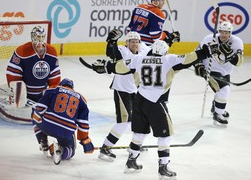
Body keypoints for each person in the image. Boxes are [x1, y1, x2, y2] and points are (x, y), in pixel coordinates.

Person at [91, 30, 218, 178]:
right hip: (157, 102)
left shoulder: (139, 59)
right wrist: (207, 51)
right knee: (165, 135)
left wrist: (105, 67)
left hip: (139, 100)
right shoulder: (169, 60)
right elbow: (190, 58)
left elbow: (119, 67)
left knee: (139, 132)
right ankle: (163, 168)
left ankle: (131, 161)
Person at [98, 30, 150, 162]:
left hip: (135, 91)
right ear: (127, 43)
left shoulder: (143, 50)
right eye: (132, 42)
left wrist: (169, 40)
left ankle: (135, 144)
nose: (135, 44)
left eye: (137, 41)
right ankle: (106, 147)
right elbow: (112, 53)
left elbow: (156, 51)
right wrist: (111, 42)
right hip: (121, 91)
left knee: (140, 118)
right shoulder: (123, 50)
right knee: (124, 121)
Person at [31, 78, 95, 165]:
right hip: (65, 132)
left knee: (34, 113)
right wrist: (85, 141)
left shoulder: (53, 89)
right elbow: (83, 123)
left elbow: (41, 108)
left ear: (61, 84)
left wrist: (38, 117)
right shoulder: (82, 100)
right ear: (72, 88)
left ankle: (42, 140)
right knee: (71, 150)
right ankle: (61, 151)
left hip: (47, 126)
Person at [194, 21, 244, 126]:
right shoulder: (209, 39)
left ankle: (216, 106)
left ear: (230, 32)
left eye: (226, 32)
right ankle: (218, 114)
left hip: (226, 71)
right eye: (222, 32)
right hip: (210, 69)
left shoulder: (237, 42)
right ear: (219, 31)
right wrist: (198, 65)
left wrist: (231, 55)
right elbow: (196, 53)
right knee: (224, 90)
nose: (224, 35)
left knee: (220, 91)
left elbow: (238, 62)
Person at [6, 26, 61, 103]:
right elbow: (12, 73)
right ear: (33, 36)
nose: (40, 39)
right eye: (38, 36)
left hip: (42, 95)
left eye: (42, 36)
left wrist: (53, 95)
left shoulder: (51, 51)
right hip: (23, 96)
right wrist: (17, 93)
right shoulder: (22, 51)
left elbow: (55, 76)